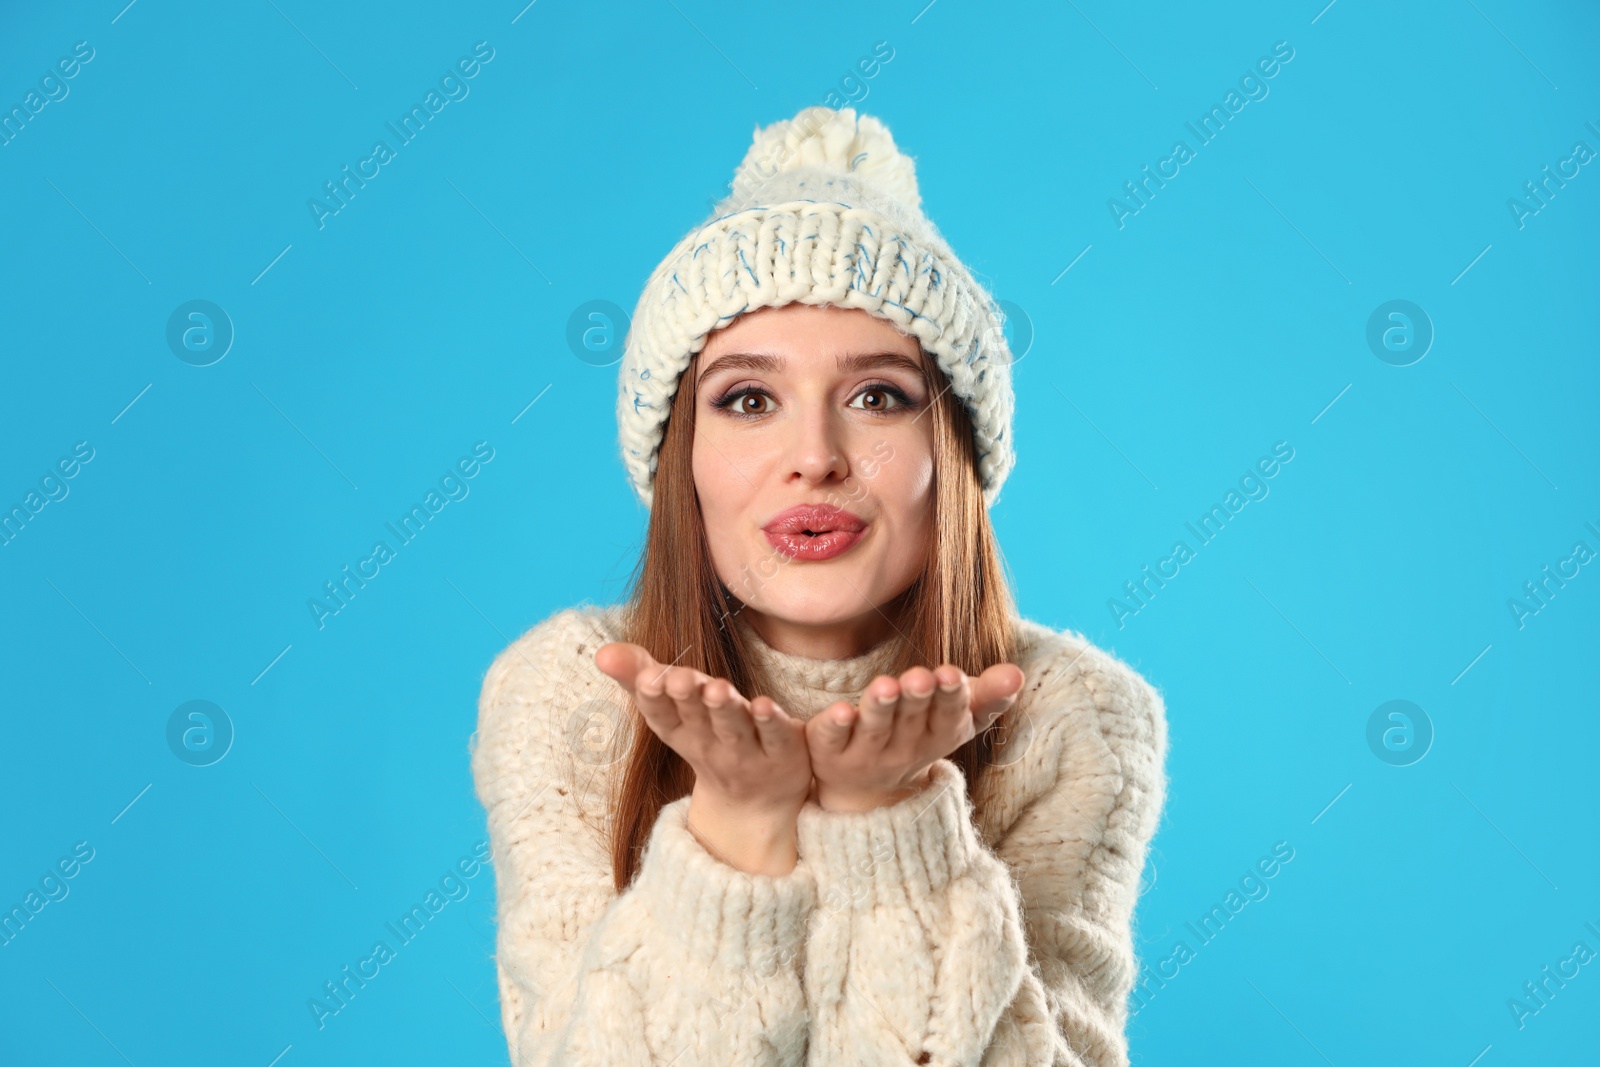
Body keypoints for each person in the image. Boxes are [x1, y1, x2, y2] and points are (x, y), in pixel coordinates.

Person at [471, 104, 1168, 1066]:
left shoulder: (1075, 716)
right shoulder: (571, 694)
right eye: (748, 400)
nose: (814, 457)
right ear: (684, 460)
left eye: (877, 396)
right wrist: (735, 831)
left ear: (951, 452)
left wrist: (891, 825)